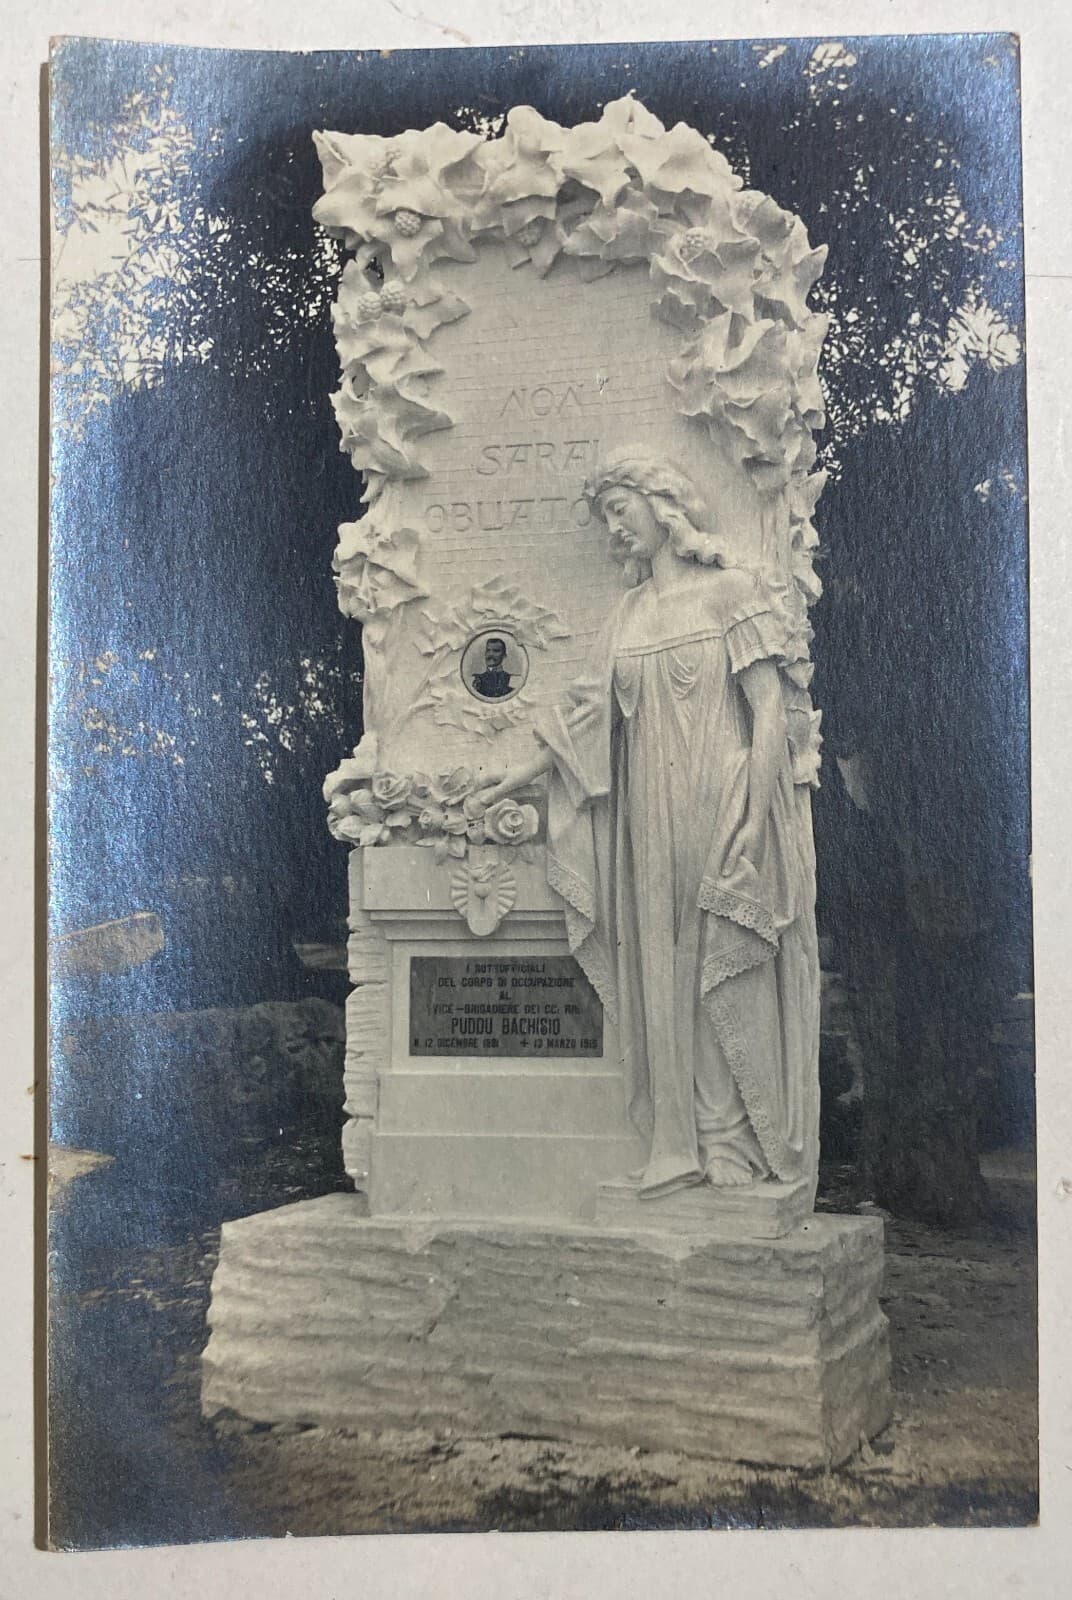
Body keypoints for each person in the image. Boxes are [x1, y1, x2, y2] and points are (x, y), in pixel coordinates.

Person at [479, 451, 820, 1200]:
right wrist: (516, 777)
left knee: (717, 961)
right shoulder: (628, 615)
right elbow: (586, 723)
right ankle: (676, 1144)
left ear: (662, 505)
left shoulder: (730, 593)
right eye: (605, 516)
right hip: (646, 812)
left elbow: (768, 711)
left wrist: (754, 818)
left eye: (620, 510)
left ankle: (733, 1139)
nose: (613, 529)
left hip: (720, 795)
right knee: (659, 970)